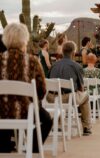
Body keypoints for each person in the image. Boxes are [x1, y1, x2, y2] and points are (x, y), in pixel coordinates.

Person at [0, 23, 53, 153]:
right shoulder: (33, 61)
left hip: (1, 111)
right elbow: (41, 91)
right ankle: (32, 148)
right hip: (25, 111)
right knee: (46, 120)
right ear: (24, 39)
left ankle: (4, 147)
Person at [48, 41, 92, 136]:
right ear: (73, 53)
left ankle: (59, 125)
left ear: (62, 52)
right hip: (68, 98)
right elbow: (81, 88)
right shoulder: (77, 66)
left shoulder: (53, 65)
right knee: (85, 96)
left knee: (61, 96)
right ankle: (86, 127)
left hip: (51, 98)